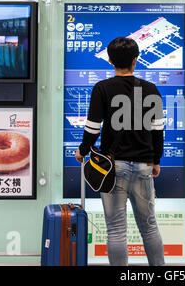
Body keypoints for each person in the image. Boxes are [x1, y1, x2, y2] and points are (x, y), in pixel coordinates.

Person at [75, 37, 165, 266]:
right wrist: (156, 160)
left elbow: (93, 126)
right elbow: (158, 129)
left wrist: (83, 150)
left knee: (116, 230)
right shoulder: (150, 89)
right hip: (144, 164)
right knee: (149, 226)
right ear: (135, 61)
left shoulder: (102, 88)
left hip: (113, 167)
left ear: (110, 60)